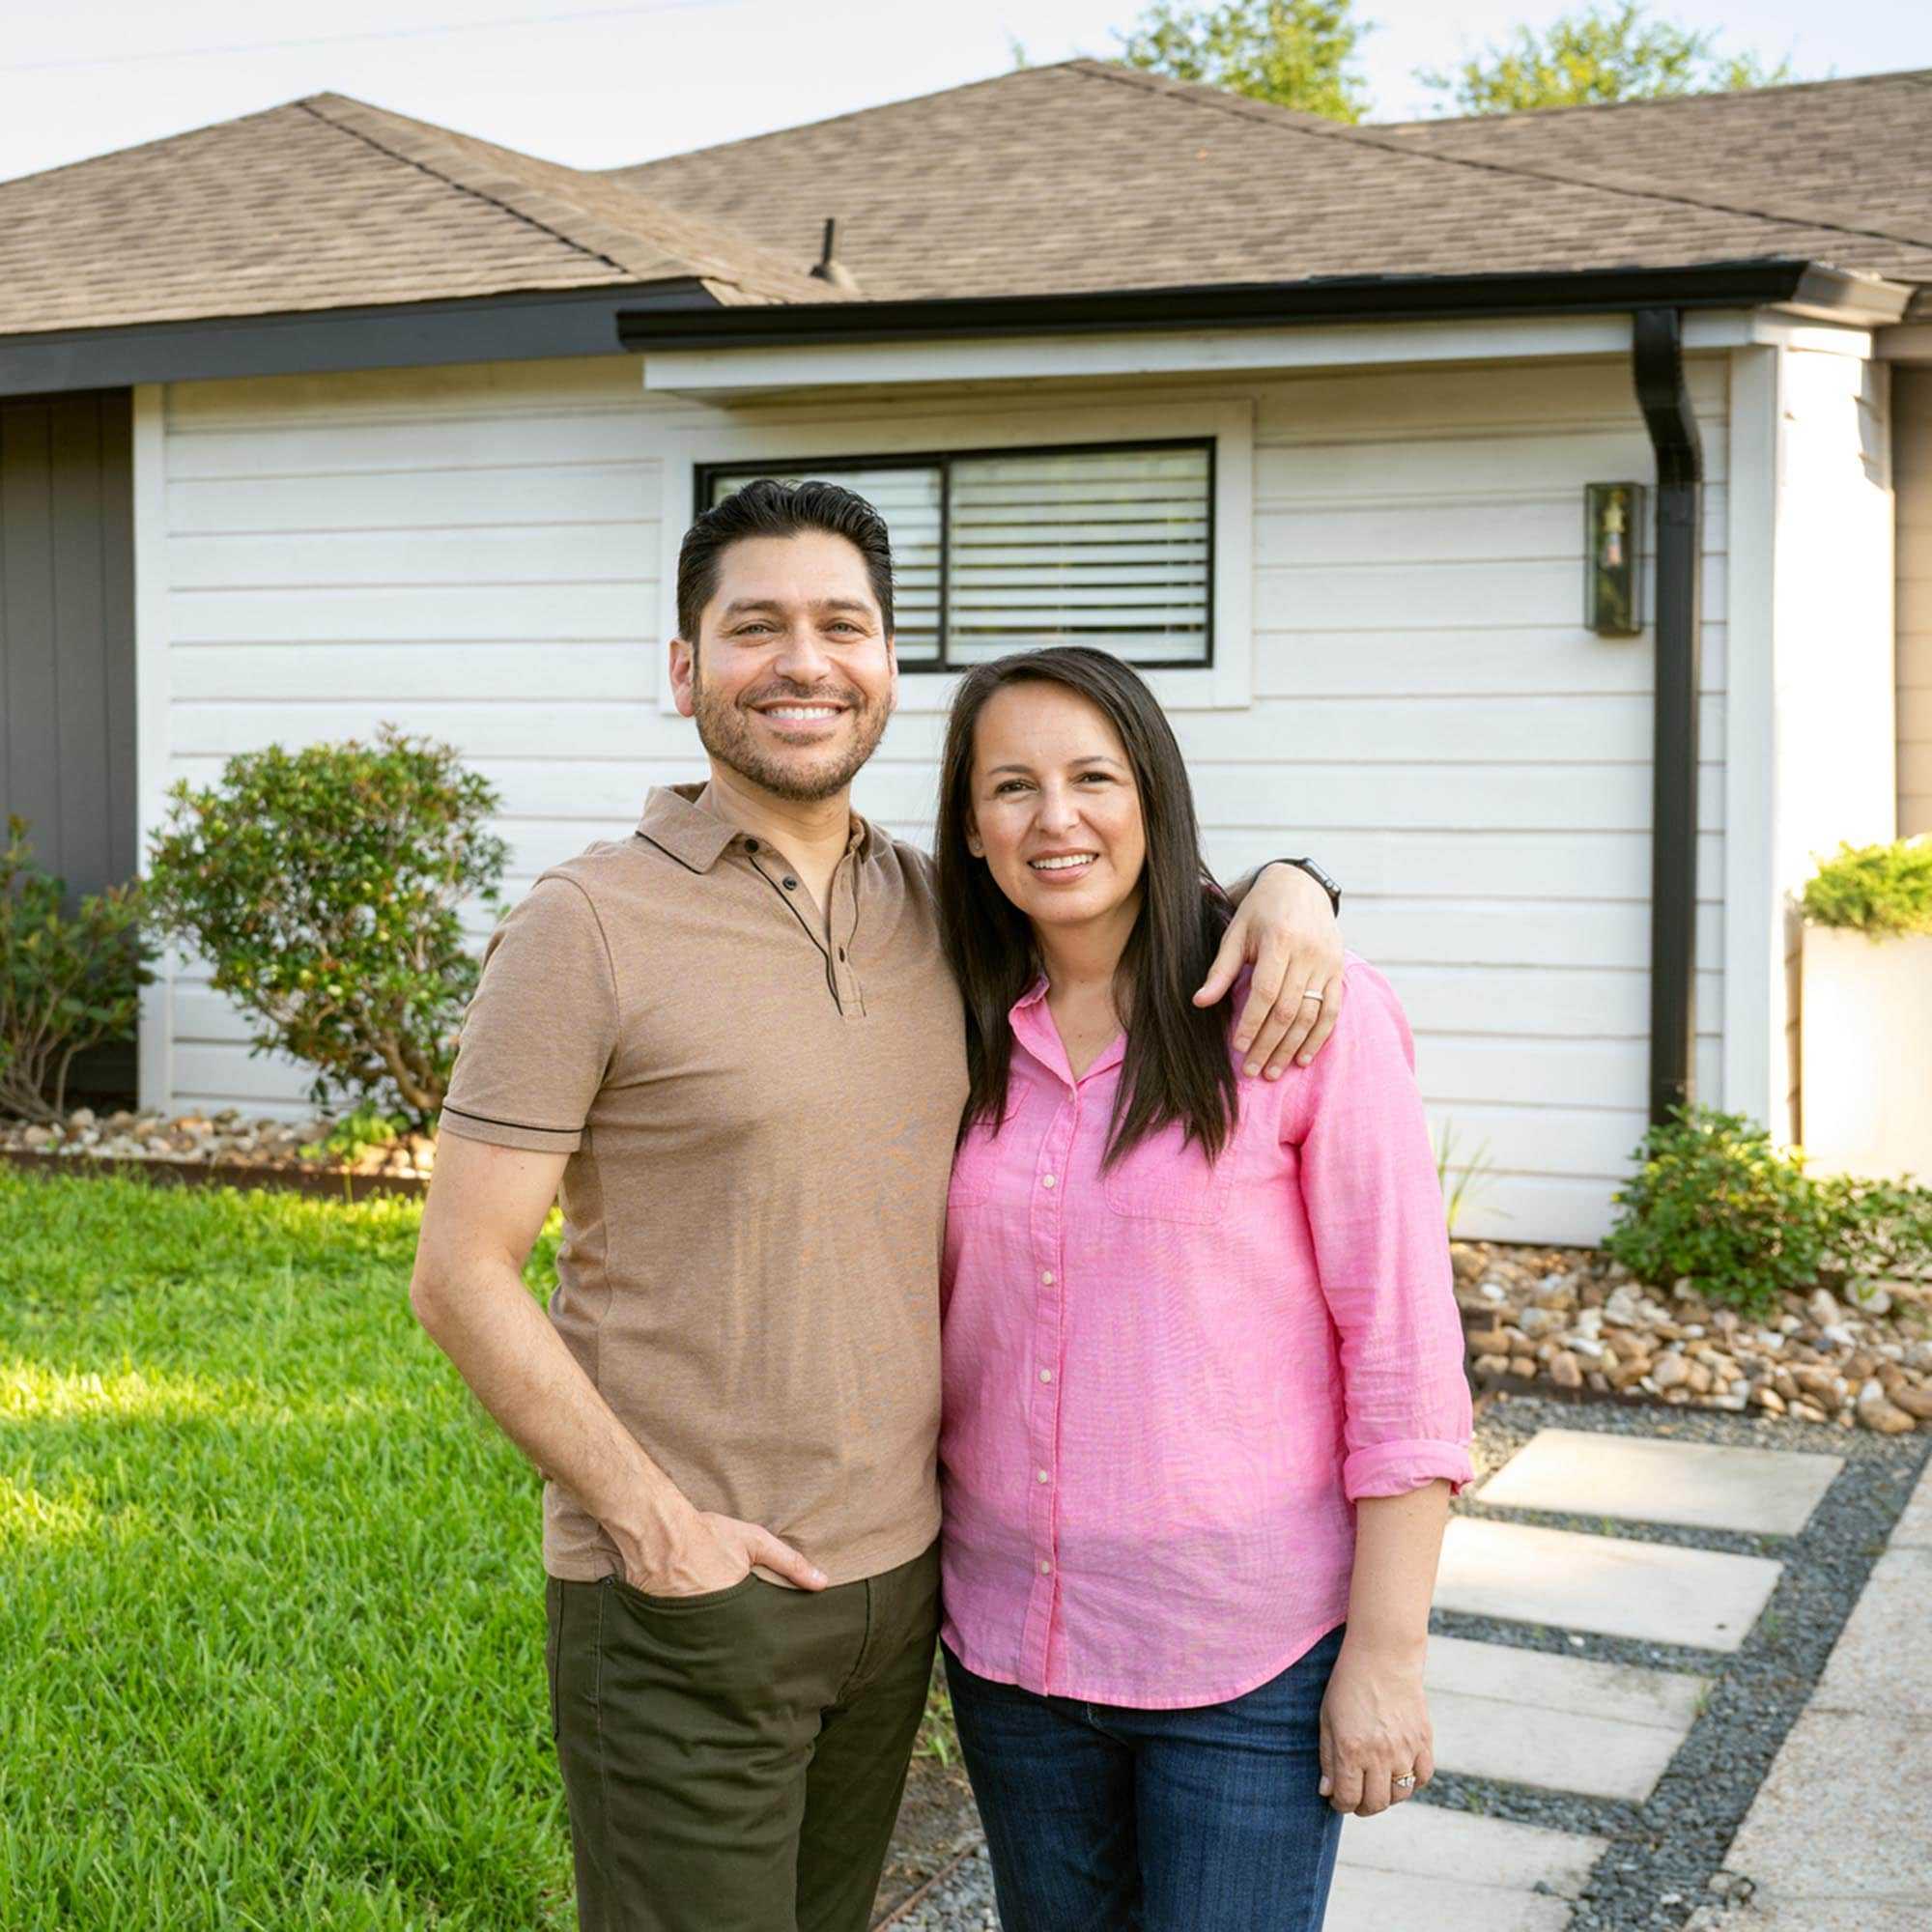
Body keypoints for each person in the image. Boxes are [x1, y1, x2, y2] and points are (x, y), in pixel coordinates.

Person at [407, 478, 1349, 1932]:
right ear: (684, 670)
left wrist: (1299, 884)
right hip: (685, 1595)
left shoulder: (945, 914)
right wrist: (652, 1528)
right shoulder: (585, 926)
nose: (804, 662)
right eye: (755, 627)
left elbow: (1122, 881)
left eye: (842, 625)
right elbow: (459, 1274)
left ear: (888, 666)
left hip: (909, 1592)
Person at [931, 645, 1475, 1932]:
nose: (1054, 818)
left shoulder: (1301, 1021)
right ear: (969, 826)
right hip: (1014, 1655)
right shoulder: (948, 1023)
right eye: (1012, 787)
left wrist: (1386, 1657)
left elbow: (1400, 1356)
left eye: (1091, 778)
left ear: (1153, 793)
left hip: (1247, 1660)